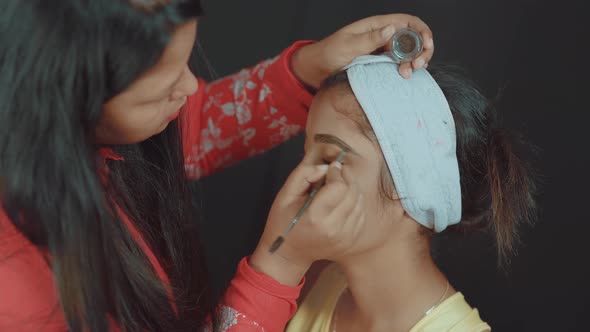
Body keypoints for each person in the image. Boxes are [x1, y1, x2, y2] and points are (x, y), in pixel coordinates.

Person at [0, 0, 435, 331]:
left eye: (185, 64)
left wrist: (309, 68)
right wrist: (278, 267)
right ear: (59, 99)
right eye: (161, 90)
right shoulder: (16, 291)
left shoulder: (105, 132)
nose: (191, 87)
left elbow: (192, 126)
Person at [278, 56, 536, 331]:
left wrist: (280, 258)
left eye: (329, 158)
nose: (297, 180)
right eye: (307, 155)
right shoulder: (318, 279)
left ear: (414, 191)